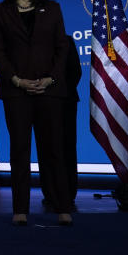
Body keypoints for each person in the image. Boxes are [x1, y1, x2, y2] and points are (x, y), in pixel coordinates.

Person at [0, 0, 73, 226]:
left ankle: (62, 207)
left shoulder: (53, 9)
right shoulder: (1, 11)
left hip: (49, 90)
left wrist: (50, 78)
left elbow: (62, 48)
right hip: (17, 92)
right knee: (20, 151)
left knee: (53, 151)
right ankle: (20, 209)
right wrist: (16, 80)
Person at [41, 35, 82, 211]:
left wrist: (58, 91)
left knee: (67, 148)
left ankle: (68, 193)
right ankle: (50, 193)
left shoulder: (65, 41)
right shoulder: (33, 43)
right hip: (40, 102)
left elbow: (75, 72)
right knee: (45, 148)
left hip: (65, 102)